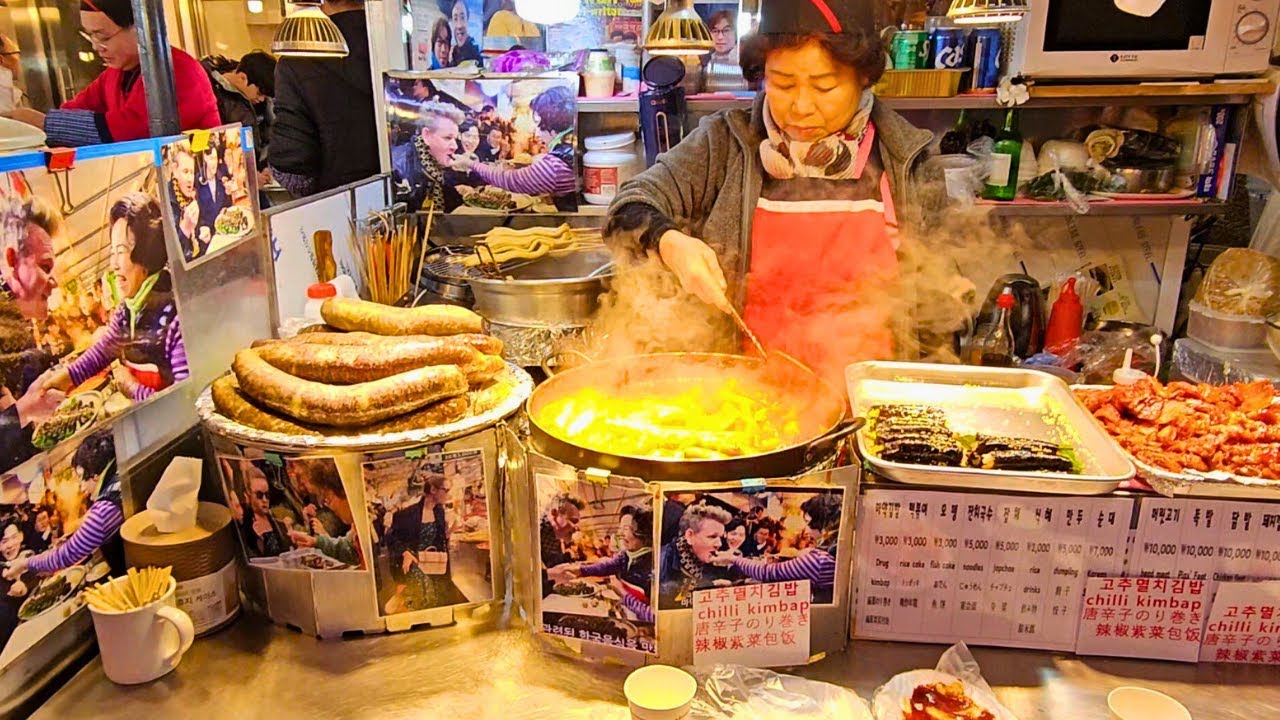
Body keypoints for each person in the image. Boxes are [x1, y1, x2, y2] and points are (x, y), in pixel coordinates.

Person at [605, 0, 932, 389]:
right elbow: (629, 205)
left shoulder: (906, 156)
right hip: (747, 402)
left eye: (825, 86)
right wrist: (670, 242)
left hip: (869, 406)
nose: (801, 106)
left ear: (863, 79)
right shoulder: (725, 142)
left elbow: (938, 306)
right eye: (782, 83)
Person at [4, 0, 218, 146]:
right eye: (90, 37)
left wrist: (44, 123)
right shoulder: (113, 75)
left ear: (139, 28)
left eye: (103, 37)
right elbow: (74, 110)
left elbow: (133, 130)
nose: (96, 47)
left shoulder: (177, 69)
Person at [41, 193, 188, 403]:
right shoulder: (127, 312)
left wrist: (132, 387)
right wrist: (59, 380)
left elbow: (183, 403)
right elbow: (102, 351)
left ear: (146, 255)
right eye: (112, 253)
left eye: (122, 251)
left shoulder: (176, 316)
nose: (114, 265)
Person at [271, 0, 379, 197]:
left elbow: (293, 171)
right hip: (412, 204)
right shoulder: (402, 46)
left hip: (338, 209)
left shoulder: (297, 58)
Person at [0, 200, 65, 471]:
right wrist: (26, 409)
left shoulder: (13, 322)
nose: (54, 282)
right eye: (45, 267)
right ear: (12, 260)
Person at [5, 431, 120, 580]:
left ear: (94, 475)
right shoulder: (116, 482)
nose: (80, 485)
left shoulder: (104, 509)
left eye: (80, 477)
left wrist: (24, 564)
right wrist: (75, 533)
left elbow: (68, 554)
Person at [451, 85, 577, 207]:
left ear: (552, 123)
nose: (536, 131)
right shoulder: (571, 146)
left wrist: (471, 164)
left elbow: (509, 180)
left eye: (539, 123)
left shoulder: (554, 166)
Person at [712, 493, 842, 604]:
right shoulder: (832, 555)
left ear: (822, 522)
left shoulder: (819, 561)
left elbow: (767, 572)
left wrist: (732, 559)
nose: (806, 529)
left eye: (809, 522)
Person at [549, 504, 654, 623]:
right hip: (625, 616)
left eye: (626, 528)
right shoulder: (626, 555)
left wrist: (622, 593)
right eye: (620, 528)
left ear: (644, 532)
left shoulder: (656, 566)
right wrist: (579, 570)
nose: (619, 534)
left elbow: (654, 616)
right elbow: (608, 566)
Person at [383, 469, 466, 610]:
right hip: (413, 562)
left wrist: (453, 529)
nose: (448, 494)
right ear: (433, 489)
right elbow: (391, 538)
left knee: (441, 595)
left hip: (433, 562)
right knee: (426, 593)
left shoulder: (439, 511)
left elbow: (441, 539)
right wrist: (405, 553)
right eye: (445, 490)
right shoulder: (407, 514)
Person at [207, 51, 276, 175]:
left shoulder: (262, 102)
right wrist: (248, 176)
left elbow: (269, 134)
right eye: (260, 94)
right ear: (242, 78)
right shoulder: (211, 91)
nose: (261, 99)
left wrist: (264, 165)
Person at [391, 101, 465, 212]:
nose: (454, 146)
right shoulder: (400, 166)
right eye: (447, 138)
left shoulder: (435, 164)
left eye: (455, 139)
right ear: (427, 136)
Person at [658, 503, 735, 609]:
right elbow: (667, 600)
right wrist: (707, 588)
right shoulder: (662, 560)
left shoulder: (709, 561)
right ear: (690, 536)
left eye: (720, 537)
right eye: (712, 536)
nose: (719, 544)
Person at [287, 463, 360, 567]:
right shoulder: (356, 527)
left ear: (344, 492)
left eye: (328, 499)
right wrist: (315, 542)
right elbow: (351, 550)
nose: (330, 507)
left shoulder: (369, 521)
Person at [539, 492, 583, 596]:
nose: (576, 528)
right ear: (554, 514)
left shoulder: (554, 534)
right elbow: (516, 575)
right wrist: (551, 574)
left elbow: (555, 565)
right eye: (573, 521)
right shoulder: (531, 530)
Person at [241, 463, 290, 557]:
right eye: (259, 495)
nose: (264, 500)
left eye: (267, 495)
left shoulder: (279, 523)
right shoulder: (245, 528)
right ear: (248, 495)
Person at [0, 524, 30, 648]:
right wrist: (11, 596)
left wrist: (26, 585)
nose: (10, 545)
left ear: (21, 536)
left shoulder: (28, 556)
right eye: (4, 541)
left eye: (14, 537)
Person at [703, 10, 747, 92]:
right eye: (715, 31)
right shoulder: (703, 60)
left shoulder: (746, 59)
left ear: (736, 33)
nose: (720, 37)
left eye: (726, 30)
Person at [449, 0, 483, 67]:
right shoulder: (453, 55)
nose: (459, 25)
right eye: (455, 19)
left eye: (462, 18)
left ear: (468, 21)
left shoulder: (476, 57)